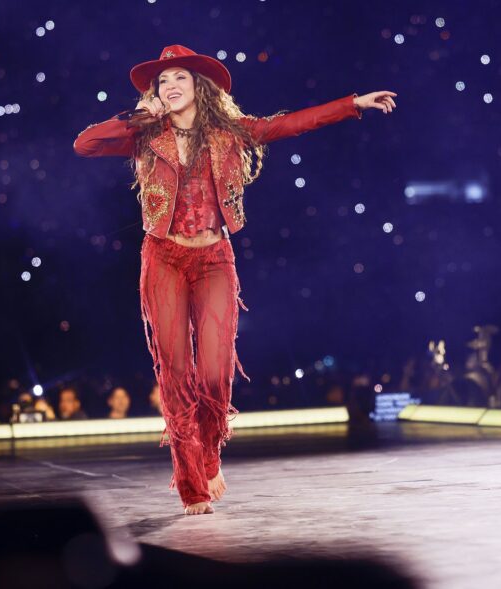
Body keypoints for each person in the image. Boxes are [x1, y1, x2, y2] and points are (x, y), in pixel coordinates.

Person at [74, 44, 396, 515]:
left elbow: (291, 124)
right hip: (163, 258)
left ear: (199, 86)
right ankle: (191, 484)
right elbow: (85, 144)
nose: (171, 86)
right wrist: (139, 116)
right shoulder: (146, 134)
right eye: (163, 81)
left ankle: (209, 455)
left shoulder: (230, 131)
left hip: (213, 259)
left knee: (215, 371)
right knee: (176, 374)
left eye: (180, 77)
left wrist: (353, 104)